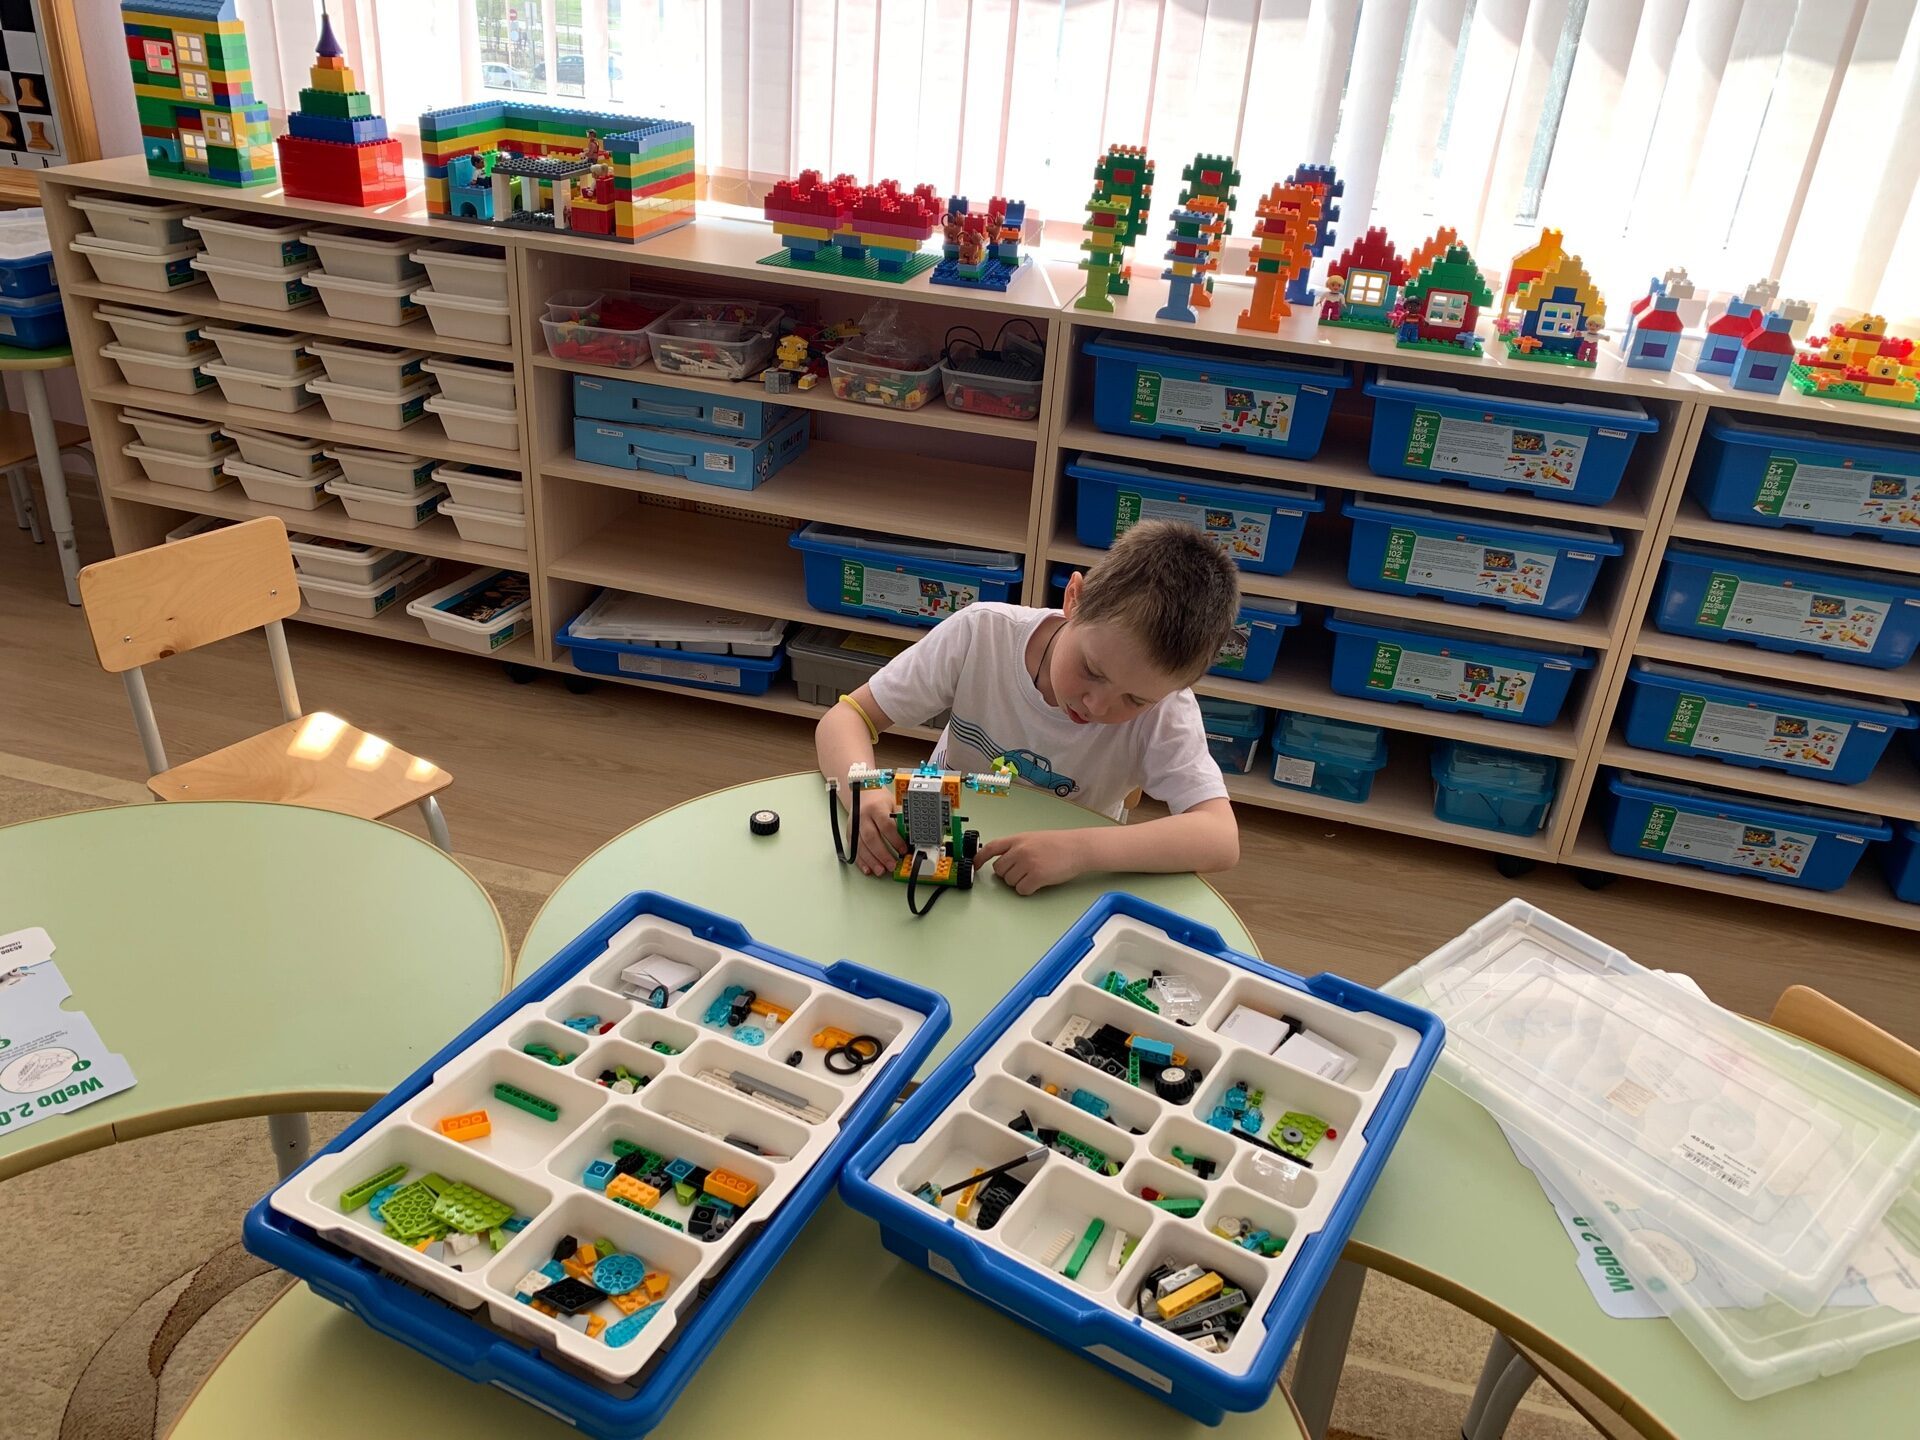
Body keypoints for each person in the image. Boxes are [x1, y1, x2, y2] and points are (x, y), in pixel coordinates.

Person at [815, 520, 1241, 895]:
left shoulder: (1167, 708)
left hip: (1061, 879)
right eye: (1092, 670)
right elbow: (848, 717)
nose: (1096, 705)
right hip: (944, 845)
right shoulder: (981, 633)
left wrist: (1081, 851)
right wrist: (863, 790)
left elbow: (1220, 837)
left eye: (1135, 700)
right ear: (1074, 599)